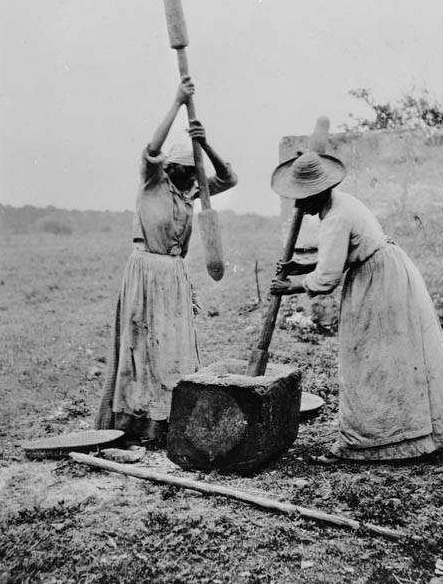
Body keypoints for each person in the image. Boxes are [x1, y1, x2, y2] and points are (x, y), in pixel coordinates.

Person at [270, 150, 443, 463]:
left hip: (378, 283)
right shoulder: (342, 202)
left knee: (368, 361)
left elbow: (327, 279)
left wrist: (291, 285)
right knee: (392, 357)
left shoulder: (335, 218)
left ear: (318, 192)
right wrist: (300, 264)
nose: (299, 206)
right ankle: (405, 435)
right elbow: (340, 255)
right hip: (388, 271)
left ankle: (369, 441)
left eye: (303, 198)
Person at [96, 76, 237, 447]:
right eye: (183, 169)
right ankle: (139, 425)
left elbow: (229, 177)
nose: (189, 176)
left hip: (174, 276)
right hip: (146, 271)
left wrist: (204, 143)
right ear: (170, 167)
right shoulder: (152, 183)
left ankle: (169, 420)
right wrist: (177, 102)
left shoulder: (192, 190)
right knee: (142, 347)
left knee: (172, 347)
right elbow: (151, 148)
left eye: (193, 171)